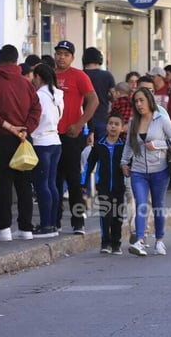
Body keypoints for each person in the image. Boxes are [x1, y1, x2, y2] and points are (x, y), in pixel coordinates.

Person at [0, 44, 42, 241]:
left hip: (1, 138)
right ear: (16, 61)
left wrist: (8, 126)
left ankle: (4, 228)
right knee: (24, 184)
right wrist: (26, 129)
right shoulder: (26, 84)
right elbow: (36, 110)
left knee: (4, 183)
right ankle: (26, 228)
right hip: (23, 139)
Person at [120, 87, 171, 257]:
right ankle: (140, 240)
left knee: (158, 206)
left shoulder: (161, 119)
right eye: (136, 101)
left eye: (142, 100)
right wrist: (124, 162)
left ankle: (159, 241)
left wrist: (157, 145)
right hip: (138, 171)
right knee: (141, 204)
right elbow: (128, 145)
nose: (139, 104)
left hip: (160, 170)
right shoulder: (133, 122)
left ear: (149, 101)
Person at [54, 40, 99, 235]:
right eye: (59, 53)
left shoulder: (79, 76)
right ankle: (53, 221)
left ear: (72, 57)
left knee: (73, 179)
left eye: (66, 54)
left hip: (72, 134)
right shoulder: (49, 74)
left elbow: (93, 100)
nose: (61, 57)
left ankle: (77, 220)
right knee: (53, 180)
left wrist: (81, 123)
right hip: (50, 136)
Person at [85, 113, 126, 254]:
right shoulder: (99, 145)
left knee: (118, 216)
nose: (113, 126)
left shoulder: (124, 146)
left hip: (119, 187)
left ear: (122, 128)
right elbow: (89, 164)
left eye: (116, 124)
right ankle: (105, 243)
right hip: (103, 186)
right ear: (106, 126)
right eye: (111, 123)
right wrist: (83, 183)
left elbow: (130, 164)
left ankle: (116, 243)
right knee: (105, 214)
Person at [31, 64, 64, 239]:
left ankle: (46, 225)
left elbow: (37, 119)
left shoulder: (39, 96)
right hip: (55, 141)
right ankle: (52, 223)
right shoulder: (57, 95)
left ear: (38, 77)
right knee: (51, 184)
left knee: (41, 185)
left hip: (41, 142)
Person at [82, 47, 115, 141]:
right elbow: (113, 96)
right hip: (102, 117)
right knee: (101, 148)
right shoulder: (107, 75)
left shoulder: (81, 74)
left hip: (83, 119)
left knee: (85, 151)